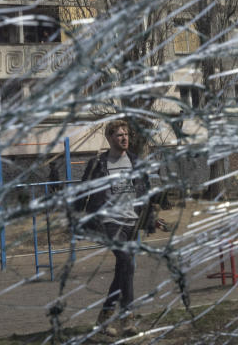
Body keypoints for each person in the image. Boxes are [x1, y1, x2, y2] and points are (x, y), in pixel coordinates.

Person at [77, 120, 166, 337]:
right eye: (119, 135)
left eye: (126, 134)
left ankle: (104, 319)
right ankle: (127, 317)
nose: (124, 138)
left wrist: (151, 217)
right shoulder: (98, 163)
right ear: (109, 138)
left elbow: (145, 192)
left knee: (125, 269)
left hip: (131, 222)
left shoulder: (136, 162)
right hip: (108, 222)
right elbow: (81, 192)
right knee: (126, 262)